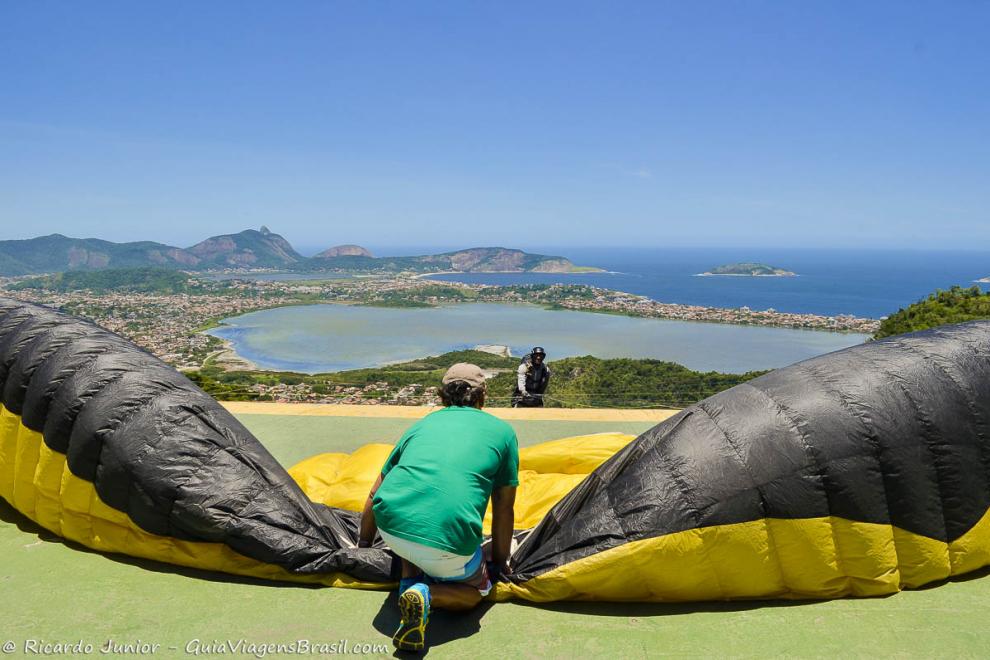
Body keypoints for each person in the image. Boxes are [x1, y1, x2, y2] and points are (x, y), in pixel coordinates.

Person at [358, 363, 519, 652]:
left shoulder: (420, 425)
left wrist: (363, 543)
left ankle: (409, 581)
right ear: (483, 396)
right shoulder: (503, 432)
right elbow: (504, 509)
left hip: (392, 527)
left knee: (413, 518)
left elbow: (374, 492)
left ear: (442, 395)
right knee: (477, 591)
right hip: (448, 546)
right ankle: (426, 593)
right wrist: (501, 561)